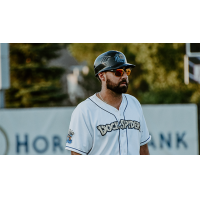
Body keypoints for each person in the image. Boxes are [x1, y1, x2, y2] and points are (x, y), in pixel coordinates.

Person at [65, 50, 151, 155]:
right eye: (118, 72)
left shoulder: (134, 103)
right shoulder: (85, 111)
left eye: (126, 71)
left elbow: (143, 147)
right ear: (102, 76)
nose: (124, 76)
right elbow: (77, 154)